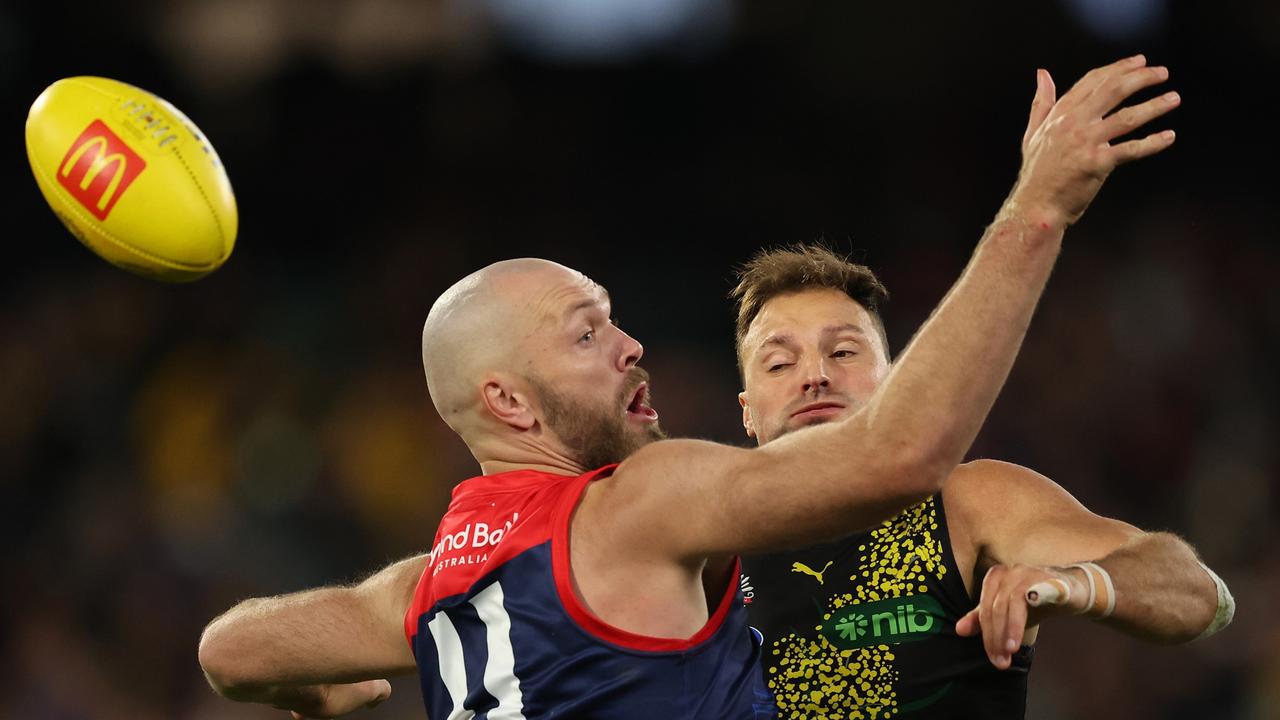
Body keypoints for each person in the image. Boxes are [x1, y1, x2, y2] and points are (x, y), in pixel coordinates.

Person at [197, 55, 1181, 719]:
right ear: (508, 403)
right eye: (586, 334)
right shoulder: (644, 508)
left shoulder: (424, 594)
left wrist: (309, 689)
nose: (631, 347)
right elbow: (900, 451)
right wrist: (1038, 208)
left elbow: (228, 649)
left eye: (844, 352)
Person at [733, 244, 1234, 719]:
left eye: (843, 352)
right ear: (747, 413)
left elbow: (1202, 597)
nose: (815, 375)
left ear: (895, 383)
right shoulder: (707, 549)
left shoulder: (967, 505)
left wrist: (1075, 583)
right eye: (780, 363)